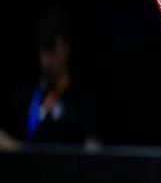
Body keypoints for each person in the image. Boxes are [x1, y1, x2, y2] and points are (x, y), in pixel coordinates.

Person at [0, 10, 100, 151]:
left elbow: (94, 147)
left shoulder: (83, 99)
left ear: (66, 48)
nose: (46, 62)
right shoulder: (25, 97)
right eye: (43, 52)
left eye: (52, 51)